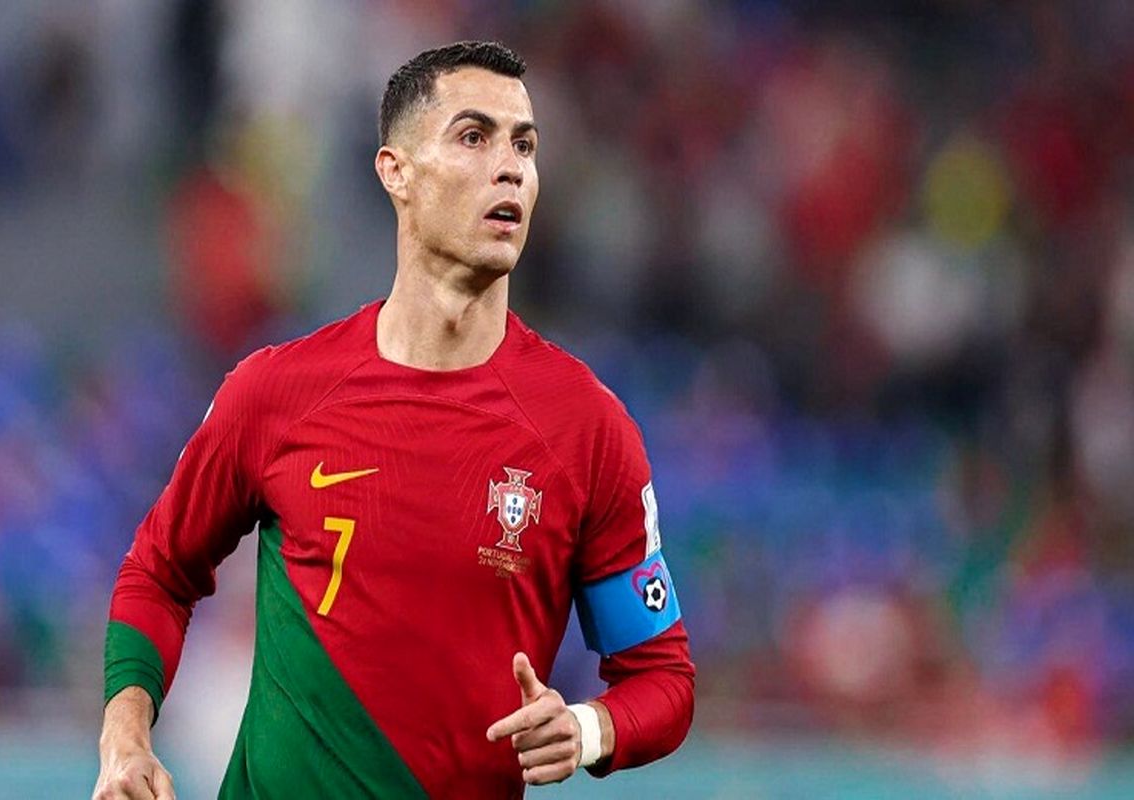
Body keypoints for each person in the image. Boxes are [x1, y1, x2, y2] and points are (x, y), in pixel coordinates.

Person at [93, 40, 695, 800]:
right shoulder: (276, 392)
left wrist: (588, 728)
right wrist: (125, 737)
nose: (510, 167)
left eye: (525, 145)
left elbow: (661, 676)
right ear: (395, 171)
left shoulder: (585, 429)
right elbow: (158, 571)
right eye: (474, 137)